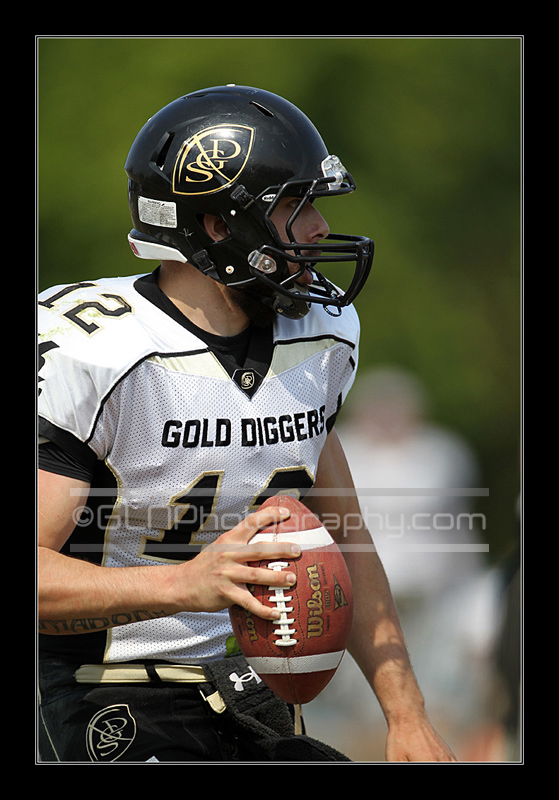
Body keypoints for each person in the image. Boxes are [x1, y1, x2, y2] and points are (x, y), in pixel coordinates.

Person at [38, 84, 456, 763]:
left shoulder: (318, 336)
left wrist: (406, 715)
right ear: (217, 226)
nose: (319, 226)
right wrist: (182, 585)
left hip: (245, 687)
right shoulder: (103, 353)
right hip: (105, 691)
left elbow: (345, 536)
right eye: (295, 205)